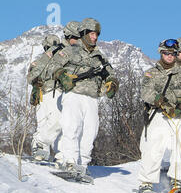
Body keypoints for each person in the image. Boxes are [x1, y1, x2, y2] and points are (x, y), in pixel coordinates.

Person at [48, 18, 118, 179]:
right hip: (73, 94)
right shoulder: (71, 51)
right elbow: (53, 65)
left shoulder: (99, 57)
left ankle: (83, 165)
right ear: (84, 33)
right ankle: (70, 162)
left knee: (90, 132)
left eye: (97, 35)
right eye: (92, 34)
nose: (95, 38)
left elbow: (110, 74)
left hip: (92, 97)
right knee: (72, 127)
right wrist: (62, 74)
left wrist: (112, 83)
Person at [137, 39, 181, 193]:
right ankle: (146, 182)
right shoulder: (152, 72)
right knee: (154, 147)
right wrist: (161, 102)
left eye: (173, 54)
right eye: (167, 53)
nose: (170, 56)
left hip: (178, 116)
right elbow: (145, 92)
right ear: (161, 53)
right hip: (159, 114)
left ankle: (177, 180)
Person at [28, 21, 81, 163]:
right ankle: (40, 148)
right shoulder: (58, 49)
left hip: (65, 92)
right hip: (50, 90)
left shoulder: (77, 53)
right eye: (76, 37)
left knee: (64, 126)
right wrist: (36, 83)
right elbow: (36, 68)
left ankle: (60, 156)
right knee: (53, 122)